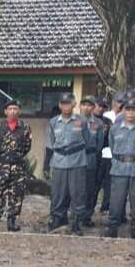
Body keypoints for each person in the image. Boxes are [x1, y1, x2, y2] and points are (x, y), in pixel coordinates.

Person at [0, 101, 33, 232]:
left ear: (19, 111)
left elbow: (27, 147)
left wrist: (16, 156)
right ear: (5, 111)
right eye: (10, 109)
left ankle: (12, 221)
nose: (13, 111)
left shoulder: (25, 128)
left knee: (16, 194)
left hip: (18, 166)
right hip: (1, 166)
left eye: (15, 109)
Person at [45, 92, 90, 234]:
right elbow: (50, 143)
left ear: (74, 104)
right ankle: (58, 219)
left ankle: (76, 221)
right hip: (59, 162)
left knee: (78, 193)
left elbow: (87, 140)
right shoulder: (53, 122)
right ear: (59, 105)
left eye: (69, 103)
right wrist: (47, 164)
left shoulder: (81, 121)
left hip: (77, 161)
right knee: (58, 193)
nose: (66, 106)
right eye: (63, 103)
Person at [104, 98, 135, 238]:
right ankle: (112, 228)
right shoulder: (115, 128)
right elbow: (112, 146)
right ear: (123, 111)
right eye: (128, 109)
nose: (130, 113)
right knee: (116, 200)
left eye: (133, 110)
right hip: (119, 168)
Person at [80, 97, 106, 228]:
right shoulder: (74, 120)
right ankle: (73, 216)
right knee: (75, 190)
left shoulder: (98, 123)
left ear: (93, 107)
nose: (86, 107)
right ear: (80, 106)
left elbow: (99, 144)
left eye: (89, 105)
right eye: (84, 105)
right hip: (75, 160)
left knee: (90, 190)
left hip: (90, 159)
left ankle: (86, 216)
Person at [93, 97, 113, 214]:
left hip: (103, 157)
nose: (100, 108)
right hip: (88, 157)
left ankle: (101, 208)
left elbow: (111, 140)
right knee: (90, 186)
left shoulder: (107, 121)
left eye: (103, 107)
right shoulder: (85, 119)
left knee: (101, 184)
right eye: (99, 105)